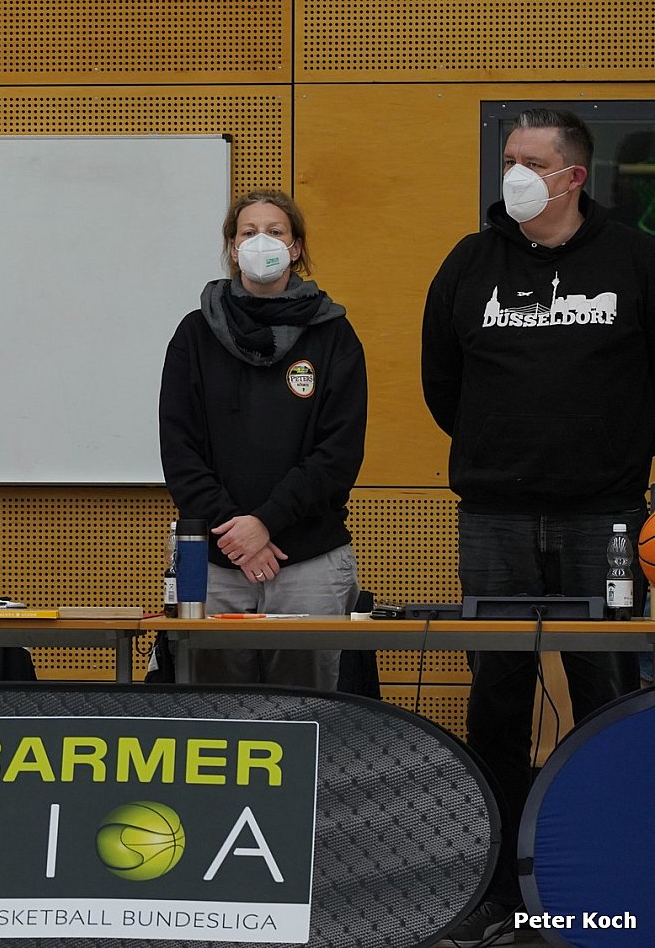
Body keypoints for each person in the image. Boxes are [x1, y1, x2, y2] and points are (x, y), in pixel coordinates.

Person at [422, 107, 653, 947]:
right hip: (495, 514)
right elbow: (442, 383)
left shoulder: (635, 260)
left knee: (607, 691)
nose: (513, 173)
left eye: (531, 161)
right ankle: (494, 887)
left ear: (574, 176)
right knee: (497, 692)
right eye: (508, 159)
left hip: (608, 515)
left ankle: (614, 876)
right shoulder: (469, 262)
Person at [158, 189, 368, 687]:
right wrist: (238, 533)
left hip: (308, 561)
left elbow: (338, 454)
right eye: (249, 232)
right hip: (215, 560)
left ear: (296, 248)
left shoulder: (334, 335)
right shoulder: (194, 335)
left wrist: (266, 523)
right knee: (210, 713)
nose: (261, 242)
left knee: (310, 713)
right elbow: (180, 449)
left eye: (275, 232)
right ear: (233, 248)